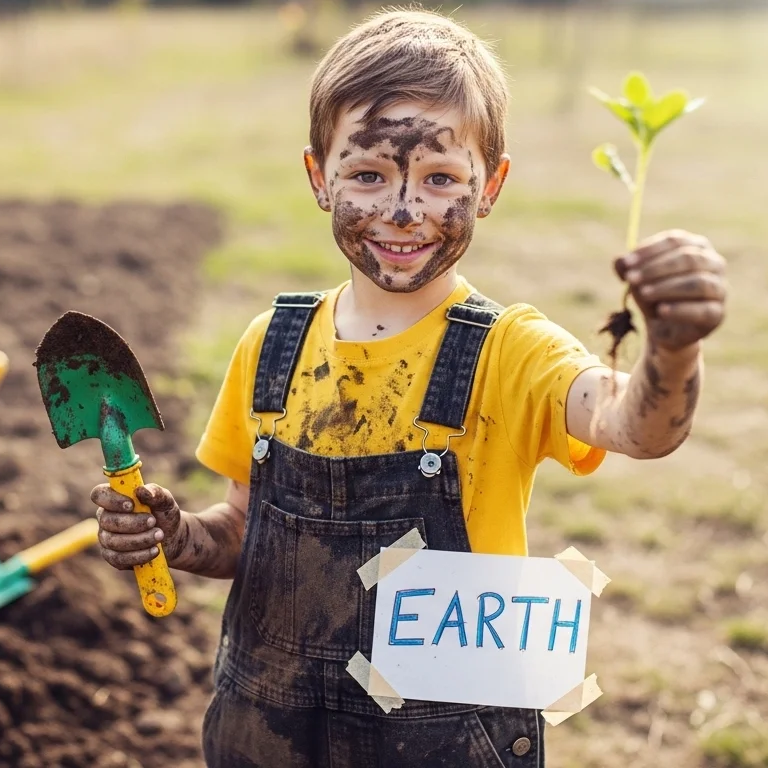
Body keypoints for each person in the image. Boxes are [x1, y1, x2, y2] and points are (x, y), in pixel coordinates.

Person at [89, 9, 728, 767]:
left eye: (438, 179)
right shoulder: (272, 346)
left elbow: (637, 427)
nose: (402, 211)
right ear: (318, 177)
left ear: (490, 186)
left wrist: (676, 349)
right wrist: (175, 538)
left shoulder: (509, 352)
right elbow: (242, 535)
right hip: (270, 738)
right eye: (368, 175)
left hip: (442, 745)